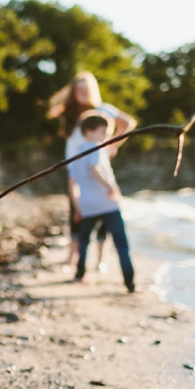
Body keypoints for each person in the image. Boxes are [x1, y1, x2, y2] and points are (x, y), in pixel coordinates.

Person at [48, 72, 137, 274]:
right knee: (76, 209)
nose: (82, 93)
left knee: (104, 206)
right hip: (74, 167)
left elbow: (129, 123)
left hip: (96, 165)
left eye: (86, 89)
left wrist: (113, 145)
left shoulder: (103, 109)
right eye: (78, 89)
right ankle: (73, 256)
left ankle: (100, 259)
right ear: (73, 92)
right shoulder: (69, 115)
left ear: (92, 91)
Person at [67, 114, 136, 293]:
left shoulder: (76, 154)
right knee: (121, 244)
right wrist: (111, 187)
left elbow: (72, 183)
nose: (106, 136)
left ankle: (79, 274)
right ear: (89, 132)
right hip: (107, 204)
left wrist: (76, 207)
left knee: (84, 241)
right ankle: (130, 282)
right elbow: (94, 168)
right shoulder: (95, 148)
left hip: (87, 206)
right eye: (103, 132)